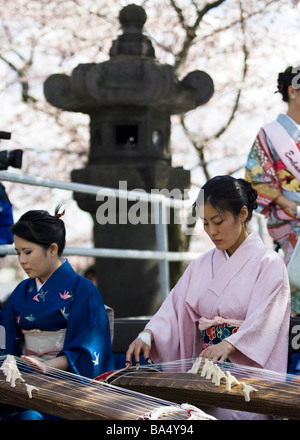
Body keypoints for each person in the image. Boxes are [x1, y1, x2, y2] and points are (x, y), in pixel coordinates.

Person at [126, 175, 291, 420]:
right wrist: (147, 335)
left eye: (218, 221)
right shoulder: (200, 265)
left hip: (246, 379)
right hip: (205, 375)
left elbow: (266, 322)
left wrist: (228, 345)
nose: (211, 231)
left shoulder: (269, 264)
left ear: (243, 214)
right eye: (205, 223)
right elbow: (175, 309)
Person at [0, 206, 114, 419]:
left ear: (52, 249)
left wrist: (46, 366)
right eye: (17, 253)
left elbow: (87, 351)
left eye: (27, 252)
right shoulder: (21, 291)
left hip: (66, 382)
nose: (22, 260)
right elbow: (3, 336)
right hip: (27, 378)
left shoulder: (83, 289)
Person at [245, 65, 300, 316]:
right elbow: (256, 178)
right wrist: (287, 203)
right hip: (291, 226)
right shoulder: (270, 134)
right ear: (293, 91)